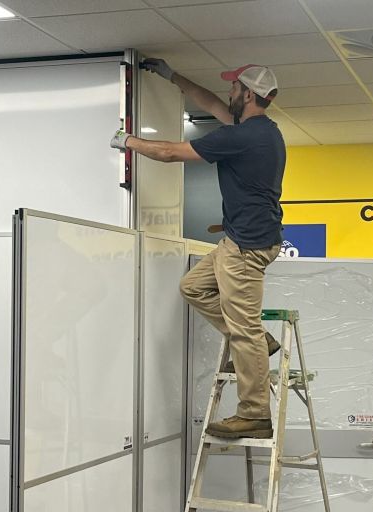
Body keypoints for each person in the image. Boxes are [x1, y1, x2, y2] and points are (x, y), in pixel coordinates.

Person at [110, 61, 285, 439]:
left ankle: (254, 413)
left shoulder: (241, 137)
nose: (229, 95)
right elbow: (208, 100)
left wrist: (128, 141)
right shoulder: (262, 131)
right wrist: (173, 75)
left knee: (244, 331)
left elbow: (171, 153)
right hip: (241, 239)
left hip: (246, 247)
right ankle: (261, 344)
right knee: (193, 287)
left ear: (248, 95)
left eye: (234, 89)